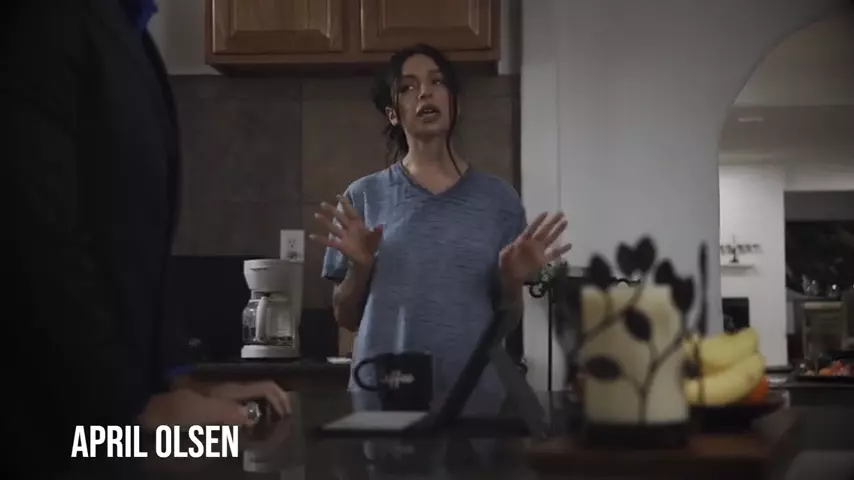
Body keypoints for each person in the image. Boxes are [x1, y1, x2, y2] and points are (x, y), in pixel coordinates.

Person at [5, 0, 288, 477]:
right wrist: (128, 412)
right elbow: (33, 235)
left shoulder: (127, 33)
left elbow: (133, 246)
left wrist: (182, 389)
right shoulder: (44, 19)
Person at [310, 44, 570, 409]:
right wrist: (360, 268)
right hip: (386, 396)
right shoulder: (363, 196)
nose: (425, 93)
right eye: (408, 87)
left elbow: (507, 322)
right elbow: (346, 317)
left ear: (455, 103)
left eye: (437, 82)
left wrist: (511, 281)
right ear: (393, 114)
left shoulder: (499, 200)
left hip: (473, 398)